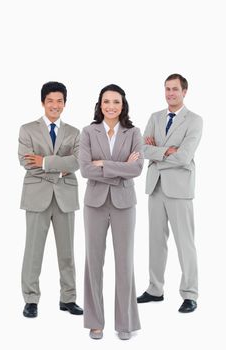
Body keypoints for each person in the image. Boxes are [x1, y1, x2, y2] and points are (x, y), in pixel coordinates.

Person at [79, 84, 143, 340]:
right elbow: (85, 170)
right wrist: (120, 168)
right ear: (100, 104)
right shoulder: (88, 132)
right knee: (93, 263)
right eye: (106, 101)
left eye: (116, 102)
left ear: (123, 105)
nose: (111, 106)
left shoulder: (134, 132)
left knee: (125, 262)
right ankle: (95, 322)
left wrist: (104, 163)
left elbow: (137, 169)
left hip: (124, 204)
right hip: (94, 203)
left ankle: (125, 322)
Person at [137, 74, 203, 313]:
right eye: (167, 89)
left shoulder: (194, 120)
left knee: (185, 243)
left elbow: (185, 156)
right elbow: (142, 149)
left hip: (180, 189)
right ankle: (155, 289)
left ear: (184, 91)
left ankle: (190, 293)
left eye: (175, 89)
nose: (170, 93)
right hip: (155, 186)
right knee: (155, 241)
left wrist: (157, 153)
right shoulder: (155, 117)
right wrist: (166, 151)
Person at [18, 81, 83, 318]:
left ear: (65, 103)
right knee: (33, 251)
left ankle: (68, 298)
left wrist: (44, 162)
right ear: (43, 102)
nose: (55, 105)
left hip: (65, 197)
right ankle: (31, 299)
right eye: (51, 101)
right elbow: (26, 162)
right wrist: (61, 167)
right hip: (37, 196)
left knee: (67, 252)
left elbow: (77, 162)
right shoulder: (27, 129)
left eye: (60, 101)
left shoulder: (75, 133)